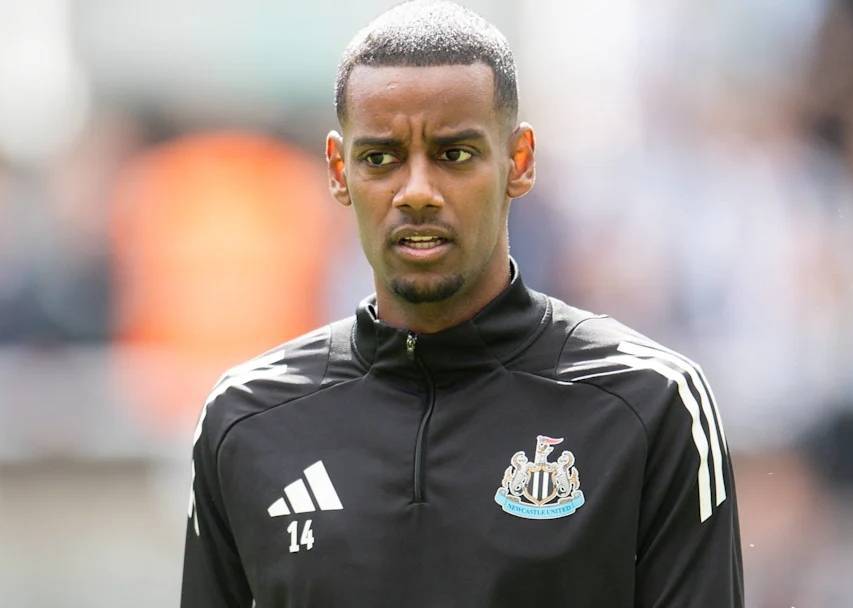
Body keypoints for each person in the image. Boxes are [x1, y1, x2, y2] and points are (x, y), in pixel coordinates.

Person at [180, 1, 744, 606]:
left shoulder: (648, 403)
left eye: (454, 155)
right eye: (380, 158)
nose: (417, 192)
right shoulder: (247, 418)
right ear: (339, 171)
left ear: (519, 161)